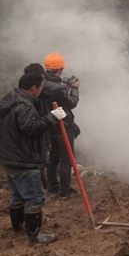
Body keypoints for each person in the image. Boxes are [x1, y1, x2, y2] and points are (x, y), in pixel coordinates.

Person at [0, 70, 66, 244]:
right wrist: (51, 118)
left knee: (18, 195)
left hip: (10, 156)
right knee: (35, 197)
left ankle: (18, 227)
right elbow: (30, 128)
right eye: (41, 86)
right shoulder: (25, 105)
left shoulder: (7, 100)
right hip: (24, 158)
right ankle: (34, 236)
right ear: (34, 88)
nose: (42, 90)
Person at [42, 53, 80, 200]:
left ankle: (52, 186)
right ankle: (65, 190)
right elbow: (72, 103)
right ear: (59, 70)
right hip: (63, 126)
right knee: (66, 159)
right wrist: (74, 89)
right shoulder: (59, 88)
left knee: (54, 157)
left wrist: (65, 87)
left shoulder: (42, 83)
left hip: (49, 125)